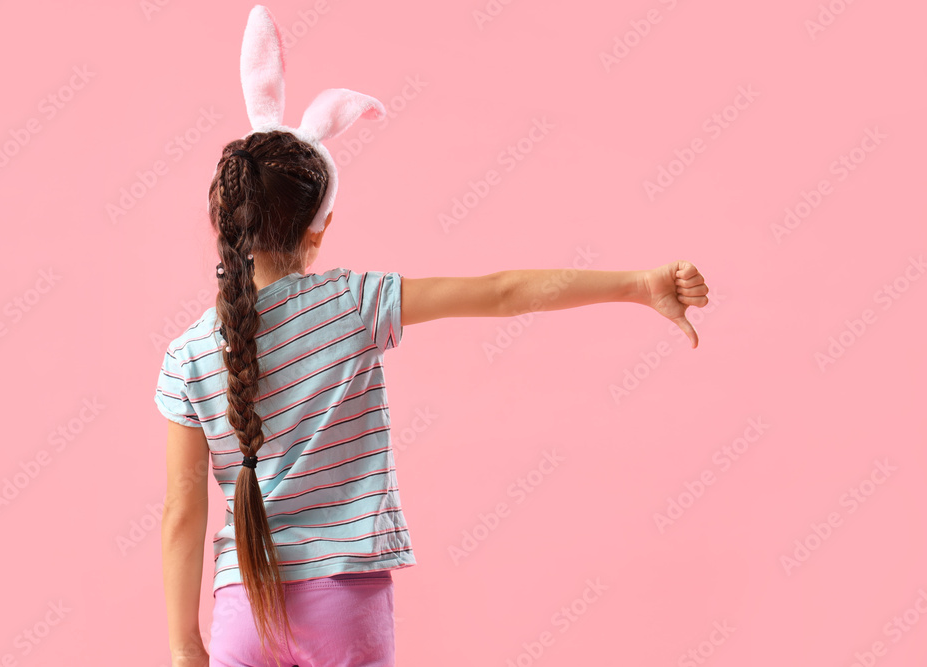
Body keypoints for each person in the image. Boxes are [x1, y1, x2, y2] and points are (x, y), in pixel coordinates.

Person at [155, 8, 709, 667]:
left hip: (243, 608)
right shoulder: (355, 303)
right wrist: (638, 283)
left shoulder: (187, 355)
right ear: (318, 229)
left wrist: (188, 646)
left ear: (224, 221)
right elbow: (503, 292)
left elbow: (180, 517)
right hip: (347, 606)